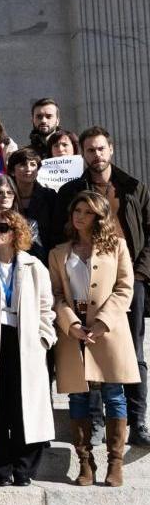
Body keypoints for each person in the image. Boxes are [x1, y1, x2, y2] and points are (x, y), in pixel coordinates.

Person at [53, 127, 150, 446]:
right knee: (87, 352)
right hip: (83, 277)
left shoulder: (134, 188)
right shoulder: (70, 192)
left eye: (101, 149)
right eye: (90, 150)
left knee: (131, 353)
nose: (97, 155)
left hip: (127, 280)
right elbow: (61, 233)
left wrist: (138, 276)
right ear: (83, 153)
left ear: (112, 149)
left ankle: (138, 421)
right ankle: (94, 423)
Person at [51, 191, 138, 487]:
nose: (79, 216)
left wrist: (102, 323)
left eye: (86, 212)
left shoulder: (117, 247)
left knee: (114, 395)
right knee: (78, 396)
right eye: (76, 210)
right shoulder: (59, 252)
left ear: (99, 217)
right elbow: (56, 295)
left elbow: (125, 288)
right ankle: (85, 464)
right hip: (73, 330)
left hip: (108, 330)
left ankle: (116, 463)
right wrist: (71, 324)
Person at [0, 210, 56, 486]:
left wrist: (44, 337)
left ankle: (24, 469)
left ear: (16, 231)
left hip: (26, 342)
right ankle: (0, 470)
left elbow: (46, 307)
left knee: (25, 405)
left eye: (2, 227)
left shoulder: (34, 266)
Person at [6, 147, 56, 262]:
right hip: (12, 257)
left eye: (33, 164)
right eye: (23, 164)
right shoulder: (6, 196)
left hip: (44, 258)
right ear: (13, 171)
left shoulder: (49, 196)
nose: (28, 169)